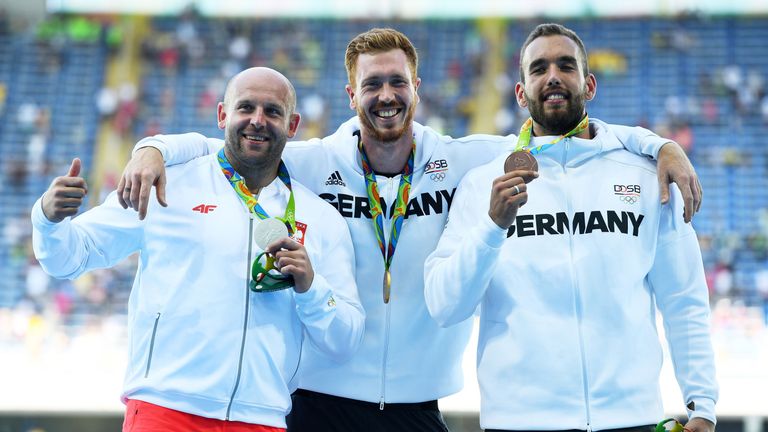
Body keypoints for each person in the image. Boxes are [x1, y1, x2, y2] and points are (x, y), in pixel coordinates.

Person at [117, 29, 703, 432]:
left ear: (417, 88)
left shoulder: (468, 159)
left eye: (398, 82)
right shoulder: (315, 162)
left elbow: (561, 132)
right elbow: (239, 140)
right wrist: (156, 146)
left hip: (418, 403)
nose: (386, 95)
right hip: (320, 398)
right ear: (353, 95)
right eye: (372, 84)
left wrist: (659, 144)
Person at [31, 67, 364, 432]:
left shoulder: (321, 219)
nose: (257, 120)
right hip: (165, 409)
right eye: (246, 107)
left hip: (261, 417)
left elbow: (345, 340)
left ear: (293, 124)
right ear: (222, 115)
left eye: (272, 111)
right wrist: (48, 219)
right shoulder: (165, 185)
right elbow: (71, 257)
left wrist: (312, 288)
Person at [424, 23, 717, 432]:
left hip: (629, 419)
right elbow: (444, 305)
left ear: (589, 84)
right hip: (520, 423)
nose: (554, 76)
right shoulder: (483, 185)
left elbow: (684, 299)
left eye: (566, 65)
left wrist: (702, 405)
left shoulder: (649, 176)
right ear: (521, 93)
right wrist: (492, 228)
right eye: (539, 68)